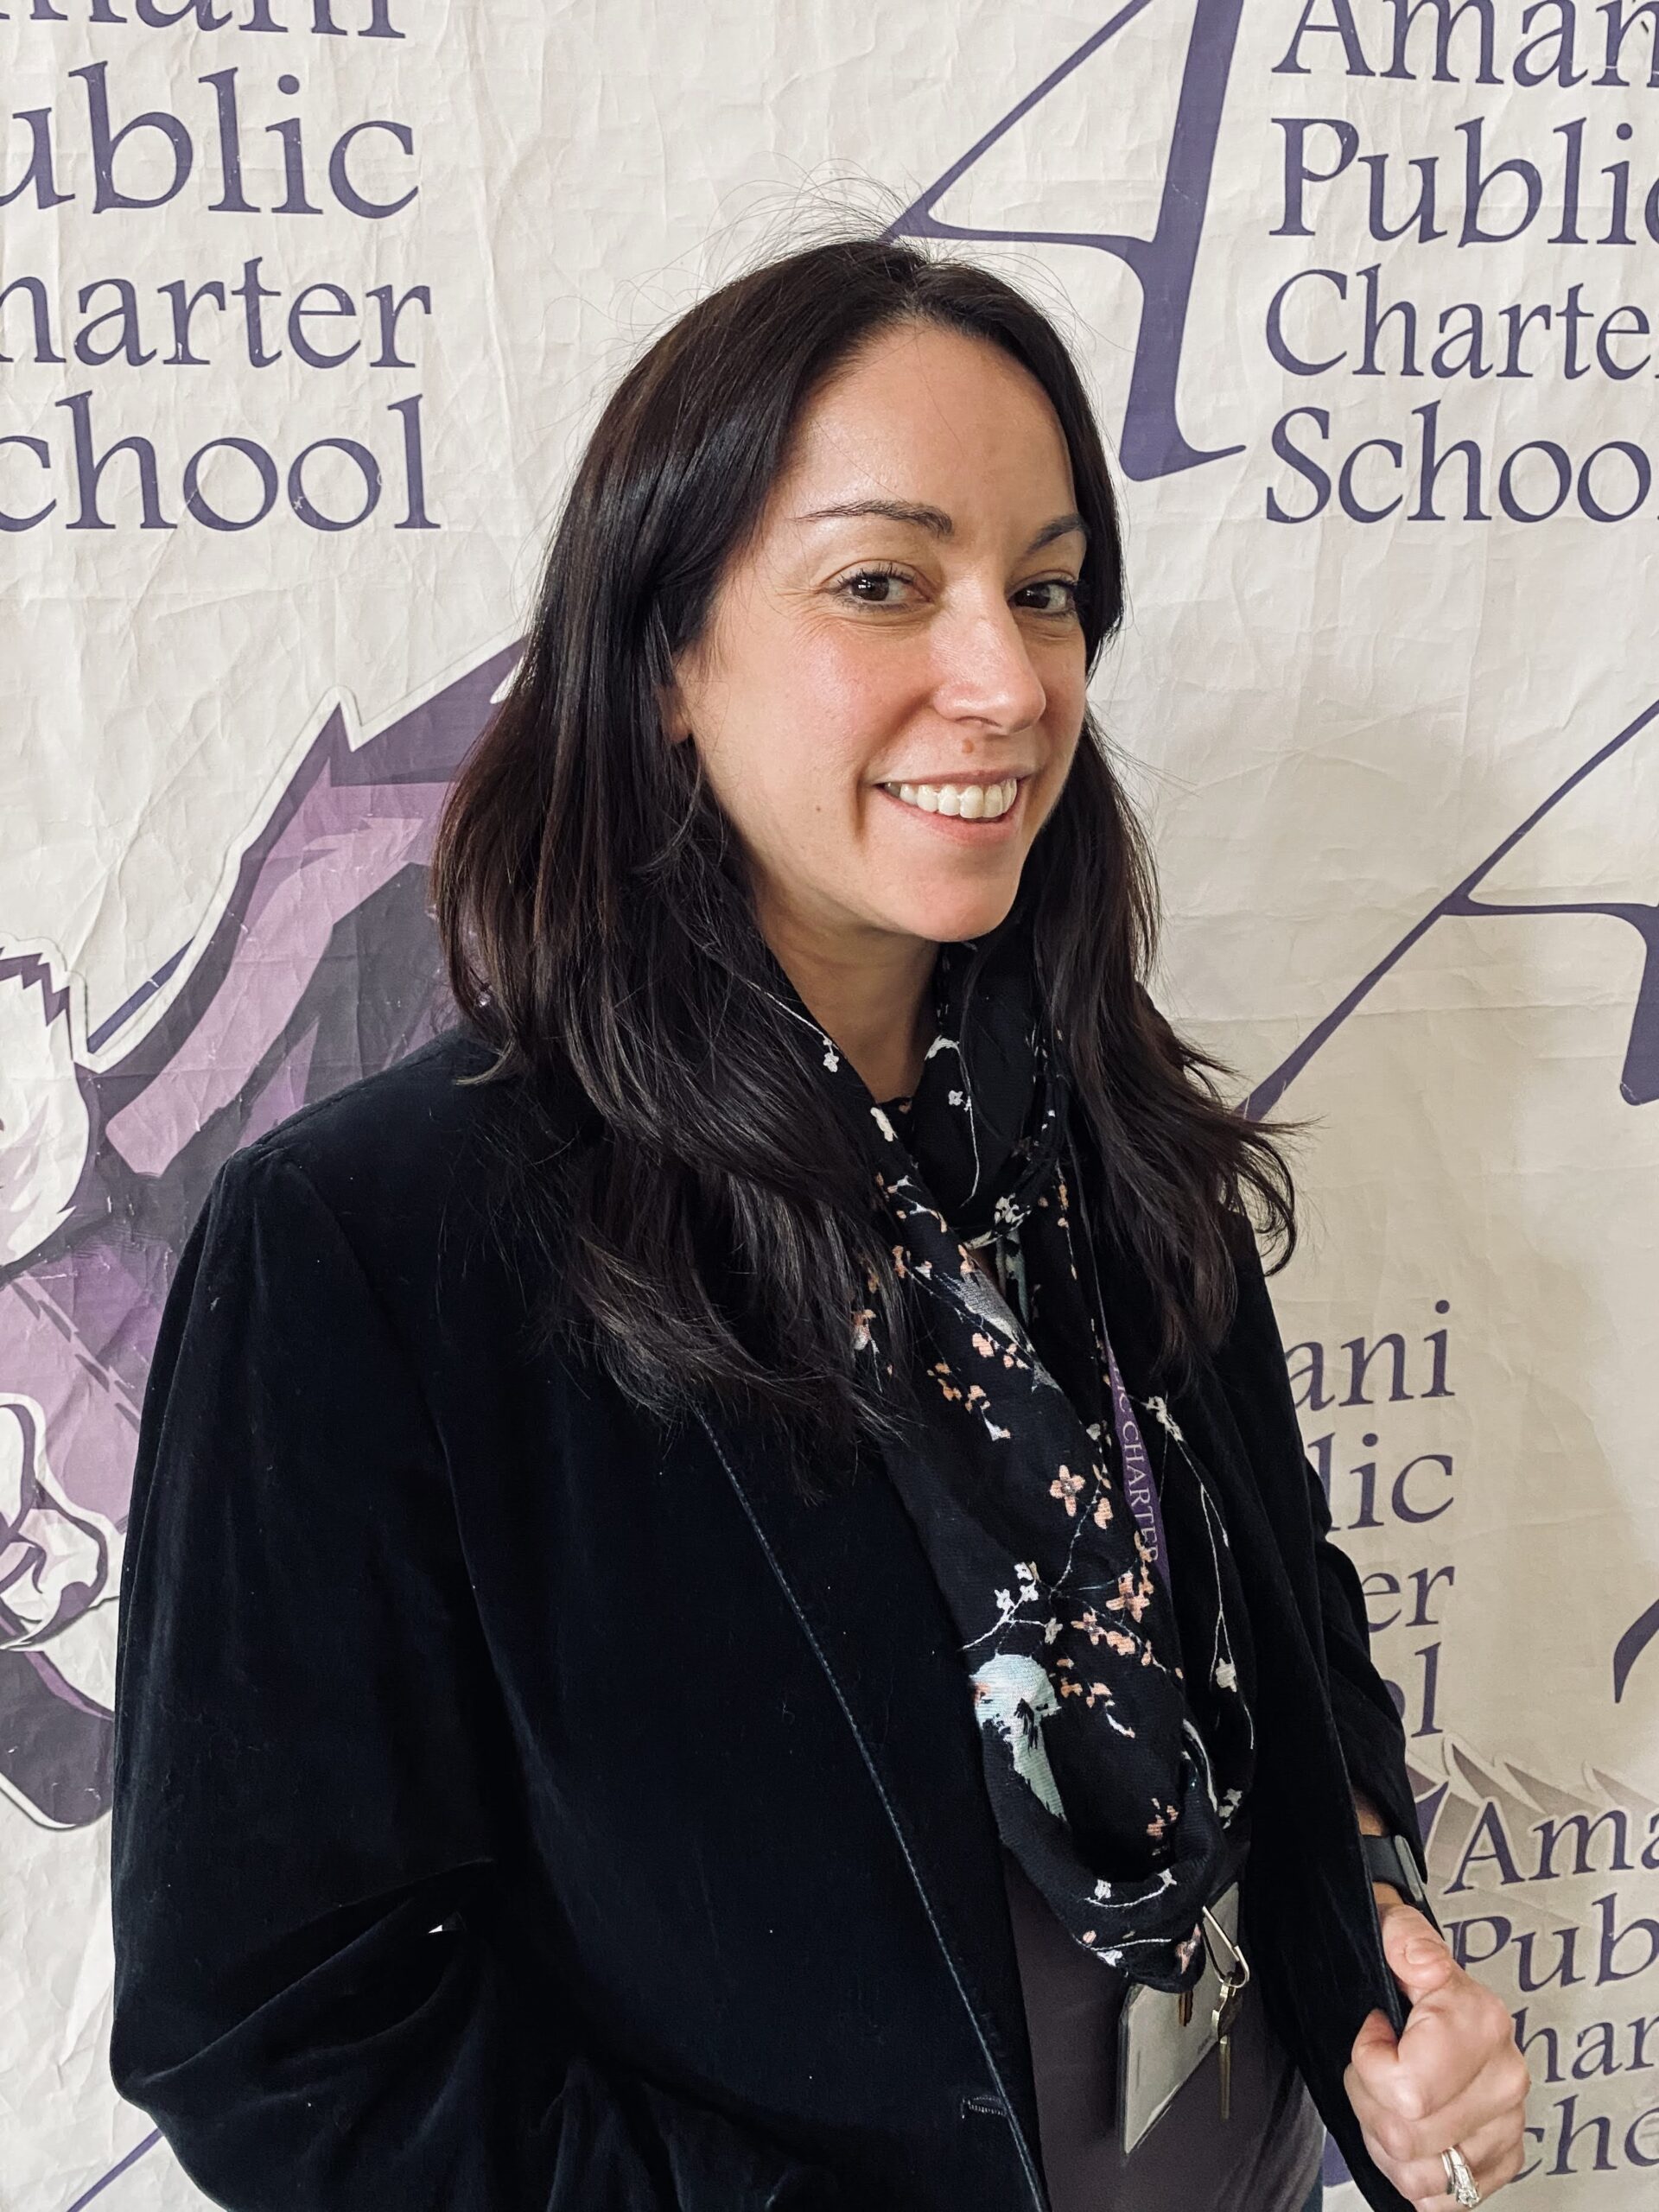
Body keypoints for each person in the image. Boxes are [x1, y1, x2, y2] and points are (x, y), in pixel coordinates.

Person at [109, 233, 1531, 2212]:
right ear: (664, 659)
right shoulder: (377, 1248)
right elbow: (276, 2027)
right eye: (885, 582)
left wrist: (1376, 1937)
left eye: (1048, 589)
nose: (1010, 679)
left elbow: (1293, 1625)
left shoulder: (1117, 1148)